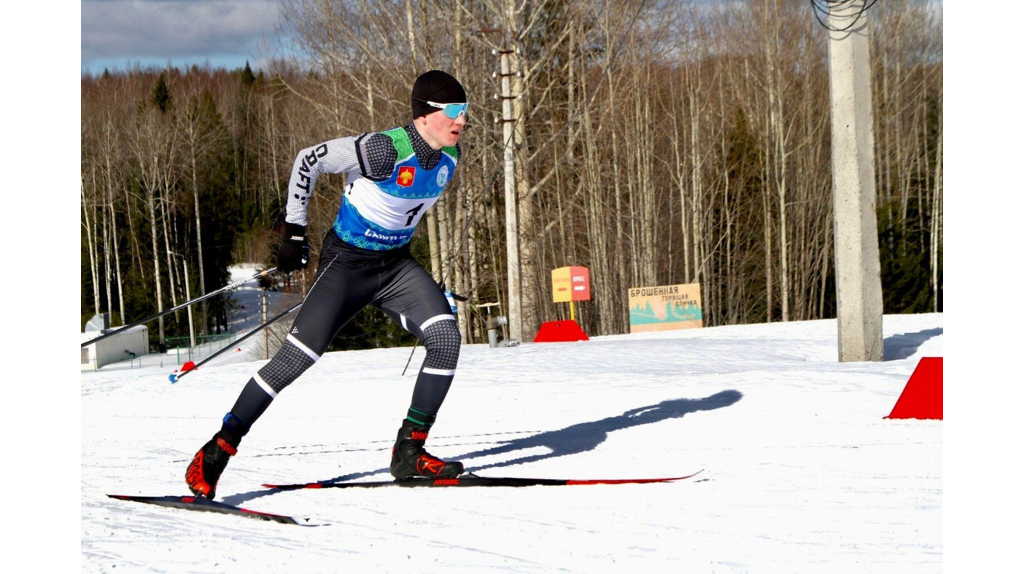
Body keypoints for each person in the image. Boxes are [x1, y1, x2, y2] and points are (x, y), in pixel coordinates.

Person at [186, 70, 469, 499]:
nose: (462, 120)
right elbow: (308, 159)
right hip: (346, 265)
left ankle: (410, 452)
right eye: (454, 110)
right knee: (295, 359)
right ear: (426, 113)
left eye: (465, 111)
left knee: (446, 339)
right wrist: (294, 233)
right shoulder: (383, 149)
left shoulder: (449, 158)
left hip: (394, 267)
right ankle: (217, 450)